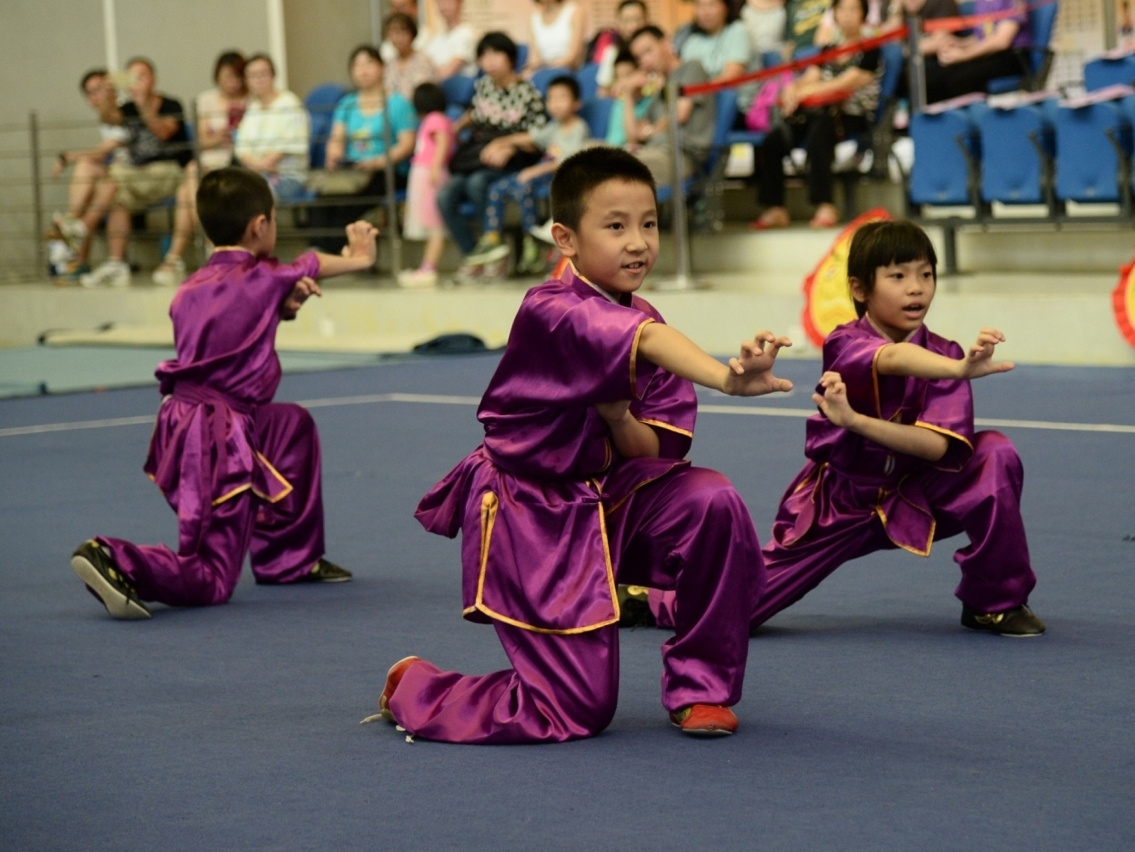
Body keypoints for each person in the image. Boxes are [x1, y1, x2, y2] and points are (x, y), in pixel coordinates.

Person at [367, 146, 794, 744]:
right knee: (572, 712)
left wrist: (617, 415)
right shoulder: (551, 308)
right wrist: (725, 377)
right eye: (615, 226)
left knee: (712, 501)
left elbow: (653, 449)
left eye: (648, 224)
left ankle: (703, 690)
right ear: (565, 237)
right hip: (534, 512)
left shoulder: (644, 314)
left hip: (612, 494)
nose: (638, 242)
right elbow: (640, 340)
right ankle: (417, 686)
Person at [70, 167, 379, 620]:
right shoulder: (264, 278)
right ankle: (115, 558)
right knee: (211, 575)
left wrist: (282, 308)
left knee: (291, 426)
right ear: (260, 226)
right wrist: (359, 259)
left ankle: (289, 559)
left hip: (193, 417)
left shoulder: (191, 287)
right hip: (216, 431)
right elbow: (311, 261)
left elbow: (235, 328)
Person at [751, 219, 1044, 637]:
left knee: (994, 453)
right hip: (843, 501)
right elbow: (889, 359)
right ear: (859, 289)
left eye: (926, 274)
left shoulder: (946, 354)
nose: (917, 287)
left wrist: (857, 420)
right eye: (898, 276)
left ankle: (994, 601)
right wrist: (956, 370)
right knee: (735, 611)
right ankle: (656, 595)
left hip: (919, 489)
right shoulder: (845, 342)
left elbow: (938, 449)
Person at [752, 0, 882, 230]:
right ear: (835, 14)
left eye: (854, 9)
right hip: (817, 111)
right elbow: (810, 76)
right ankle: (775, 208)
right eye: (842, 10)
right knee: (774, 140)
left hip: (851, 115)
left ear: (864, 14)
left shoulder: (871, 48)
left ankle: (825, 205)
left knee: (819, 130)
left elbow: (844, 84)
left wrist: (803, 92)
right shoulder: (829, 48)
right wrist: (792, 89)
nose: (848, 15)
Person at [68, 59, 191, 289]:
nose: (137, 82)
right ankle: (117, 265)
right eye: (132, 77)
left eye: (141, 76)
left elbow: (164, 132)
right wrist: (107, 93)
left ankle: (81, 228)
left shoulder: (171, 104)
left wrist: (144, 104)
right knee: (116, 197)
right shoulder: (128, 108)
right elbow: (106, 117)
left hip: (168, 172)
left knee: (113, 176)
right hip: (135, 175)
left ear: (153, 79)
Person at [439, 31, 546, 281]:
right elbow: (474, 115)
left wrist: (507, 145)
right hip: (480, 156)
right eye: (484, 55)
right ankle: (476, 255)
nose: (489, 60)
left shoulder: (527, 92)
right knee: (446, 195)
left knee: (477, 184)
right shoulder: (484, 86)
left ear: (510, 58)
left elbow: (538, 137)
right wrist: (453, 130)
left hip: (512, 158)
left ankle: (495, 250)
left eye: (496, 53)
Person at [466, 75, 590, 278]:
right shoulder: (554, 127)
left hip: (558, 176)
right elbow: (529, 136)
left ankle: (531, 239)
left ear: (576, 103)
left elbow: (567, 161)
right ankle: (492, 238)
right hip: (539, 172)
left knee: (524, 186)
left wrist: (533, 171)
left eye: (562, 98)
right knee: (497, 188)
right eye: (551, 99)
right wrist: (502, 143)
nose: (555, 104)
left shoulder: (578, 128)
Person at [154, 51, 249, 287]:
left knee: (187, 192)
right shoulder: (206, 100)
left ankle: (177, 257)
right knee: (192, 175)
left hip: (237, 163)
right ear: (217, 75)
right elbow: (200, 142)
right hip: (209, 161)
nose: (232, 82)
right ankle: (212, 245)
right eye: (227, 76)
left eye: (237, 77)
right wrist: (220, 138)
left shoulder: (252, 100)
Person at [311, 45, 417, 253]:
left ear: (382, 68)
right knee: (321, 201)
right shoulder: (347, 103)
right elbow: (336, 138)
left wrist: (377, 161)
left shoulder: (397, 103)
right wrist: (333, 154)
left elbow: (406, 145)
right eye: (357, 65)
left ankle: (336, 257)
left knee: (348, 205)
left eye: (369, 63)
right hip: (354, 170)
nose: (363, 70)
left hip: (387, 171)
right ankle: (317, 254)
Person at [50, 70, 126, 281]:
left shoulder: (126, 112)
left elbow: (104, 151)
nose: (96, 96)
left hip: (132, 174)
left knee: (86, 167)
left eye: (99, 89)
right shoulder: (105, 119)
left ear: (111, 88)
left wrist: (68, 157)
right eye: (90, 93)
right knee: (88, 181)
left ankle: (70, 227)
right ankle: (77, 249)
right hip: (112, 172)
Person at [627, 25, 716, 185]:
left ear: (666, 43)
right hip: (653, 151)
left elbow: (679, 115)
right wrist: (627, 95)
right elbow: (634, 135)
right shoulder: (659, 87)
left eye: (648, 51)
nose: (645, 61)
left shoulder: (691, 67)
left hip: (681, 154)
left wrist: (650, 131)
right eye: (638, 58)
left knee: (617, 169)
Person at [906, 0, 1031, 104]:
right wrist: (960, 43)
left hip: (1012, 57)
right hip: (991, 55)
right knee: (932, 74)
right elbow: (982, 36)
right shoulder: (982, 2)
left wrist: (963, 55)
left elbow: (1001, 41)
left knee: (958, 78)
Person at [398, 83, 455, 288]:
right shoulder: (437, 120)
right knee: (430, 223)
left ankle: (429, 267)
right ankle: (426, 265)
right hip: (424, 174)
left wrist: (435, 167)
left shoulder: (434, 119)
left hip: (429, 174)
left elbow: (442, 141)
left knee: (434, 225)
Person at [233, 54, 310, 201]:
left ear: (273, 75)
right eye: (253, 75)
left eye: (263, 74)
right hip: (255, 173)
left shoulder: (290, 103)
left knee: (249, 200)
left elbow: (291, 144)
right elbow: (241, 148)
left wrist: (265, 163)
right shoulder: (252, 108)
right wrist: (258, 165)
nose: (259, 79)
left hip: (286, 174)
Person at [592, 0, 649, 92]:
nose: (633, 26)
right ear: (619, 23)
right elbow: (603, 92)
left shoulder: (657, 49)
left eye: (638, 19)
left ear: (647, 20)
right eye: (627, 20)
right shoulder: (613, 51)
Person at [383, 12, 437, 101]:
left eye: (403, 32)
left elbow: (422, 95)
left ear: (412, 33)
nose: (398, 37)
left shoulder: (422, 60)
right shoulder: (389, 63)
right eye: (394, 32)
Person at [418, 0, 478, 78]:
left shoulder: (467, 34)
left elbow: (447, 72)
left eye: (449, 2)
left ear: (460, 4)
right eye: (441, 2)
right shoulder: (437, 37)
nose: (444, 6)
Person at [527, 0, 588, 73]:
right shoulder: (535, 18)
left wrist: (551, 68)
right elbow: (534, 58)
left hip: (569, 71)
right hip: (543, 71)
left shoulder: (575, 12)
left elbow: (573, 57)